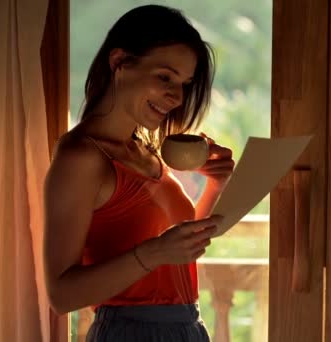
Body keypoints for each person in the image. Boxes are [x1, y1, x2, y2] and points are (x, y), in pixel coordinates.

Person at [43, 5, 234, 341]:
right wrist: (156, 252)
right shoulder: (82, 157)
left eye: (184, 84)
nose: (176, 97)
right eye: (164, 77)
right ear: (119, 62)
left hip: (188, 326)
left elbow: (180, 246)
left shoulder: (145, 150)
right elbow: (62, 295)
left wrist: (216, 185)